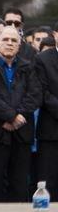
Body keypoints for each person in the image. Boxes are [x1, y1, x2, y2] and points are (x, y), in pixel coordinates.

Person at [0, 26, 41, 202]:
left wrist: (18, 117)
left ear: (19, 45)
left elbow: (35, 94)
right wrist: (11, 117)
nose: (9, 43)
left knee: (20, 183)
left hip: (22, 134)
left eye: (14, 40)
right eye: (6, 39)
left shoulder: (28, 67)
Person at [35, 22, 58, 196]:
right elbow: (42, 93)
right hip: (51, 132)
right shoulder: (43, 59)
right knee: (48, 185)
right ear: (55, 35)